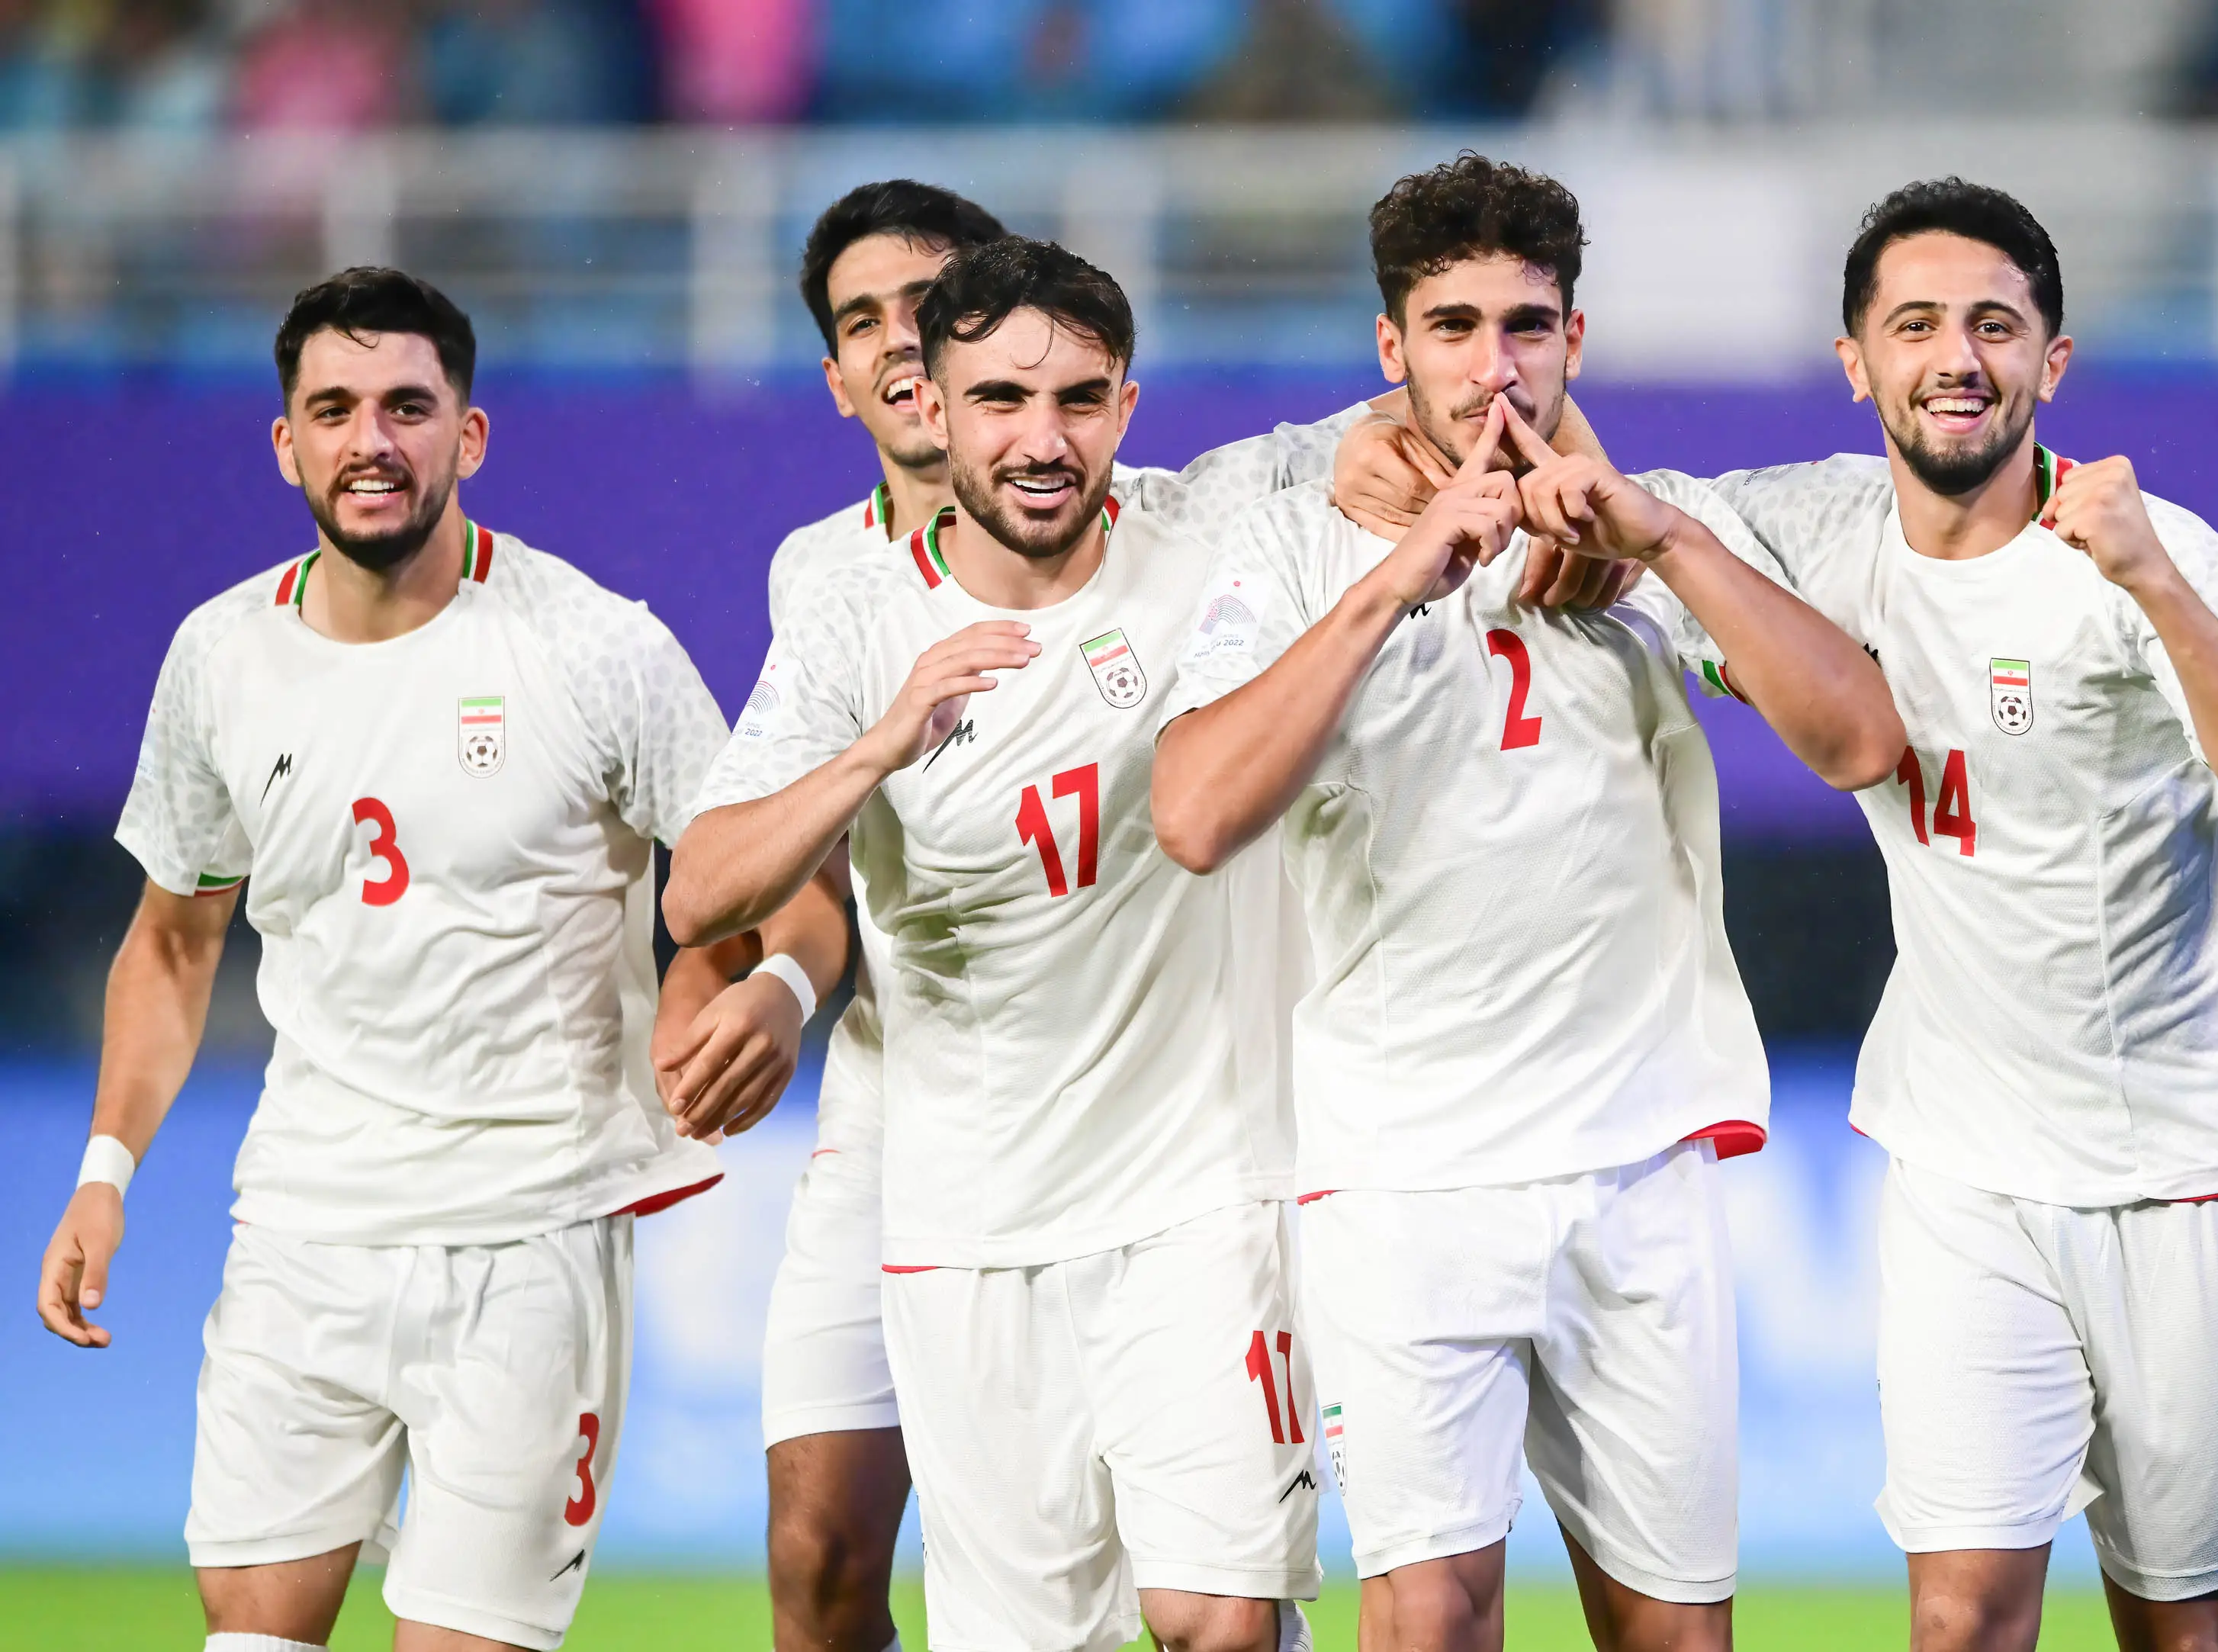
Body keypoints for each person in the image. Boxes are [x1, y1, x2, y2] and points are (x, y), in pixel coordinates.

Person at [1149, 155, 1906, 1652]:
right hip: (1401, 1177)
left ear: (1574, 339)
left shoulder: (1648, 532)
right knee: (1430, 1625)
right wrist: (1393, 582)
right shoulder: (1301, 543)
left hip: (1635, 1170)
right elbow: (1191, 811)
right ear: (1389, 351)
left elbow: (1859, 741)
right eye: (1449, 327)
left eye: (1524, 325)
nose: (1490, 367)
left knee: (1676, 1637)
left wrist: (1659, 544)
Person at [31, 266, 832, 1652]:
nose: (371, 440)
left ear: (469, 435)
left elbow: (773, 880)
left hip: (529, 1232)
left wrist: (756, 980)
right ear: (285, 443)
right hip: (303, 1224)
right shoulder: (220, 658)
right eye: (333, 409)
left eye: (408, 405)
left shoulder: (595, 647)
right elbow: (171, 941)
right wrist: (105, 1171)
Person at [754, 175, 1398, 1652]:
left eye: (932, 311)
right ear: (863, 377)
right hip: (924, 1127)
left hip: (1181, 1155)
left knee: (1212, 1606)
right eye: (871, 327)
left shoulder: (1193, 522)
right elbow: (746, 866)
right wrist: (776, 973)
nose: (908, 351)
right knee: (827, 1545)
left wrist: (1401, 457)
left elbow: (1362, 434)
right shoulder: (833, 587)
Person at [1698, 178, 2218, 1652]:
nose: (1955, 356)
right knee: (1961, 1617)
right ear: (1854, 359)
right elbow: (1633, 503)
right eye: (1913, 324)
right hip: (1961, 1166)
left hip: (2187, 1172)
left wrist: (2154, 583)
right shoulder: (1813, 528)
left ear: (2052, 360)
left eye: (1996, 324)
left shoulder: (2147, 551)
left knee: (2182, 1626)